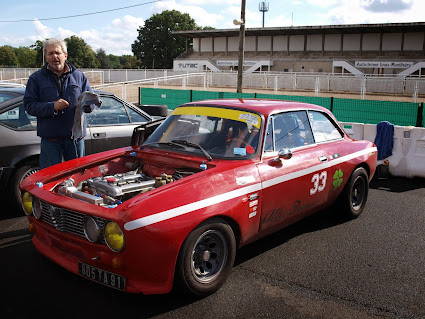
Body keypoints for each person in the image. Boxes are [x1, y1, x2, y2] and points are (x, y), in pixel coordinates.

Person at [24, 38, 96, 169]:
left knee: (76, 177)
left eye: (57, 53)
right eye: (50, 53)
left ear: (65, 55)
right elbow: (29, 106)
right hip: (50, 141)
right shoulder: (36, 79)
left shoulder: (79, 76)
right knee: (50, 180)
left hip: (75, 139)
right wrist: (52, 106)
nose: (54, 57)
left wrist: (89, 104)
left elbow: (90, 106)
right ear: (46, 57)